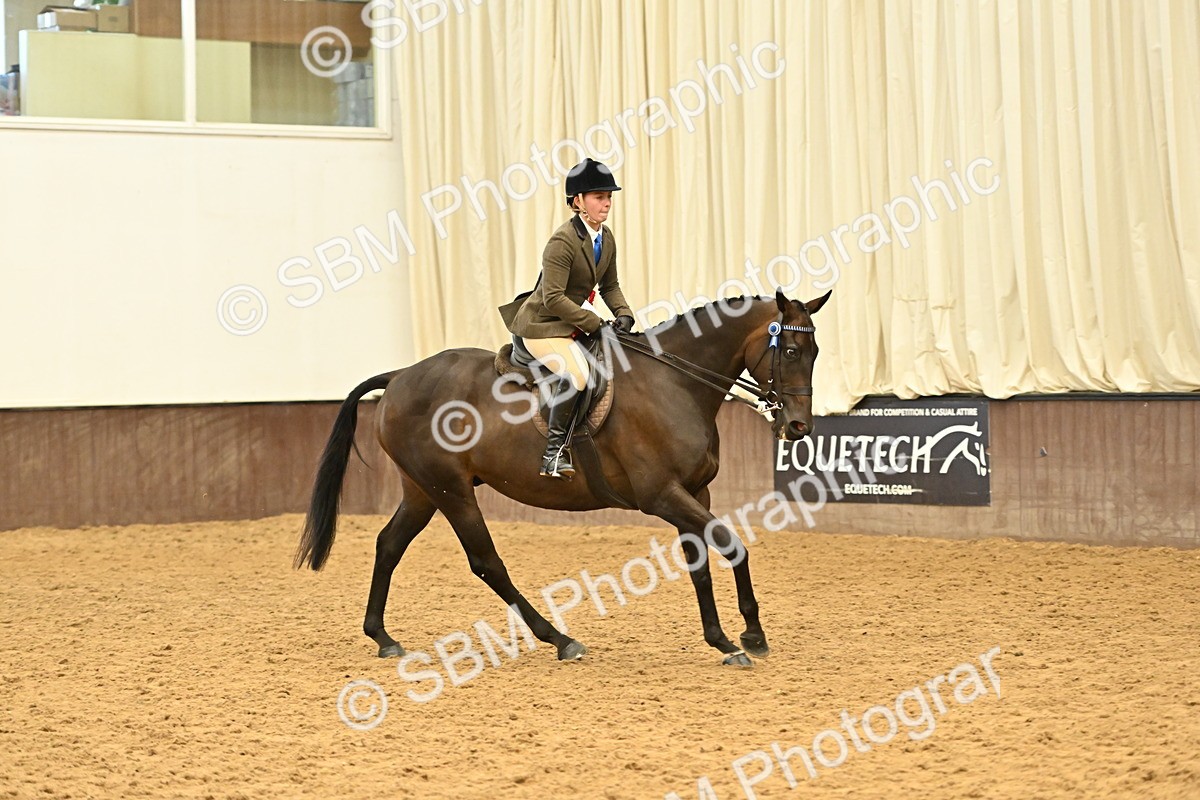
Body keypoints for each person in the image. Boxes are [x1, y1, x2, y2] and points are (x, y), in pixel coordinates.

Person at [498, 158, 637, 480]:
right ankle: (554, 452)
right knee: (577, 375)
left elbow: (610, 286)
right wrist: (594, 324)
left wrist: (624, 314)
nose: (606, 203)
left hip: (569, 323)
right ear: (578, 201)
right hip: (542, 325)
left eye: (609, 197)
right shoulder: (562, 242)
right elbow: (553, 298)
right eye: (599, 197)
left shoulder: (606, 237)